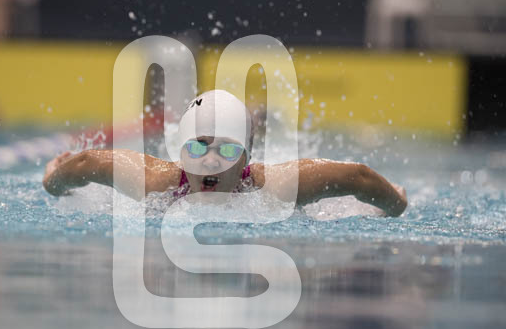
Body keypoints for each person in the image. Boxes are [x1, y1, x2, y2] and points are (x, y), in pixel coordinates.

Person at [43, 90, 407, 217]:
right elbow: (86, 163)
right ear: (180, 151)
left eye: (229, 149)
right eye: (197, 146)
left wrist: (395, 205)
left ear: (247, 157)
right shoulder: (155, 182)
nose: (212, 160)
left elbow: (357, 176)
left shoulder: (276, 187)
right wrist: (53, 183)